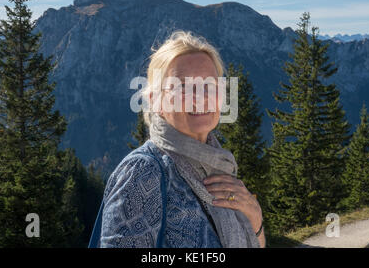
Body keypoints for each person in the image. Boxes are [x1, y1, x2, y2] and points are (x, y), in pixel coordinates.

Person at [99, 30, 265, 248]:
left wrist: (256, 221)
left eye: (210, 85)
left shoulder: (216, 165)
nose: (201, 97)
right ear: (155, 101)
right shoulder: (143, 171)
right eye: (183, 87)